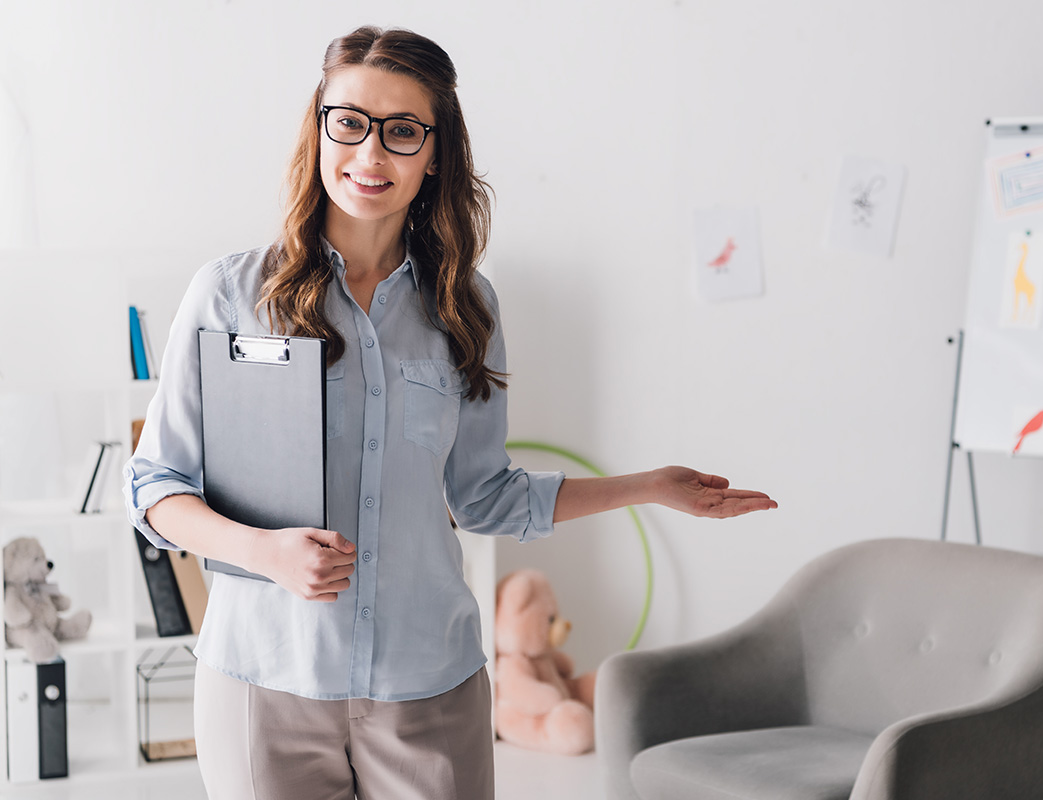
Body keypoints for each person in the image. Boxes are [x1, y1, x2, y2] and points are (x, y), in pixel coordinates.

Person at [123, 25, 776, 800]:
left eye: (402, 132)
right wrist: (262, 552)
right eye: (350, 123)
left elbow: (484, 495)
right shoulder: (230, 294)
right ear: (320, 125)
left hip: (428, 684)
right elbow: (154, 486)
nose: (370, 156)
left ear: (435, 153)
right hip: (264, 681)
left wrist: (650, 487)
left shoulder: (466, 307)